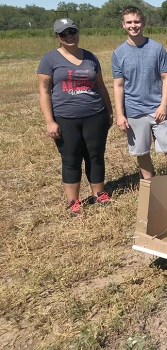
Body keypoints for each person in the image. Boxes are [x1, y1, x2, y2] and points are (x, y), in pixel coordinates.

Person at [38, 18, 113, 215]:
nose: (69, 36)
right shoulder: (49, 60)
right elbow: (44, 92)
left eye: (72, 31)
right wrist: (49, 121)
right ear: (57, 37)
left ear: (77, 32)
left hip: (95, 114)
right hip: (65, 117)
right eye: (64, 33)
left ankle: (99, 193)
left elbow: (101, 86)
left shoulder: (90, 57)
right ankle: (73, 201)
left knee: (95, 155)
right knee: (71, 158)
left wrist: (109, 110)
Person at [112, 6, 167, 179]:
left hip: (158, 109)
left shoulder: (157, 48)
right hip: (134, 111)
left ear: (143, 23)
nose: (133, 25)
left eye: (136, 21)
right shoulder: (118, 53)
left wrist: (163, 105)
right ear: (123, 25)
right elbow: (118, 86)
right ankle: (151, 188)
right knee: (142, 152)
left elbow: (166, 78)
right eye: (129, 22)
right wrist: (120, 114)